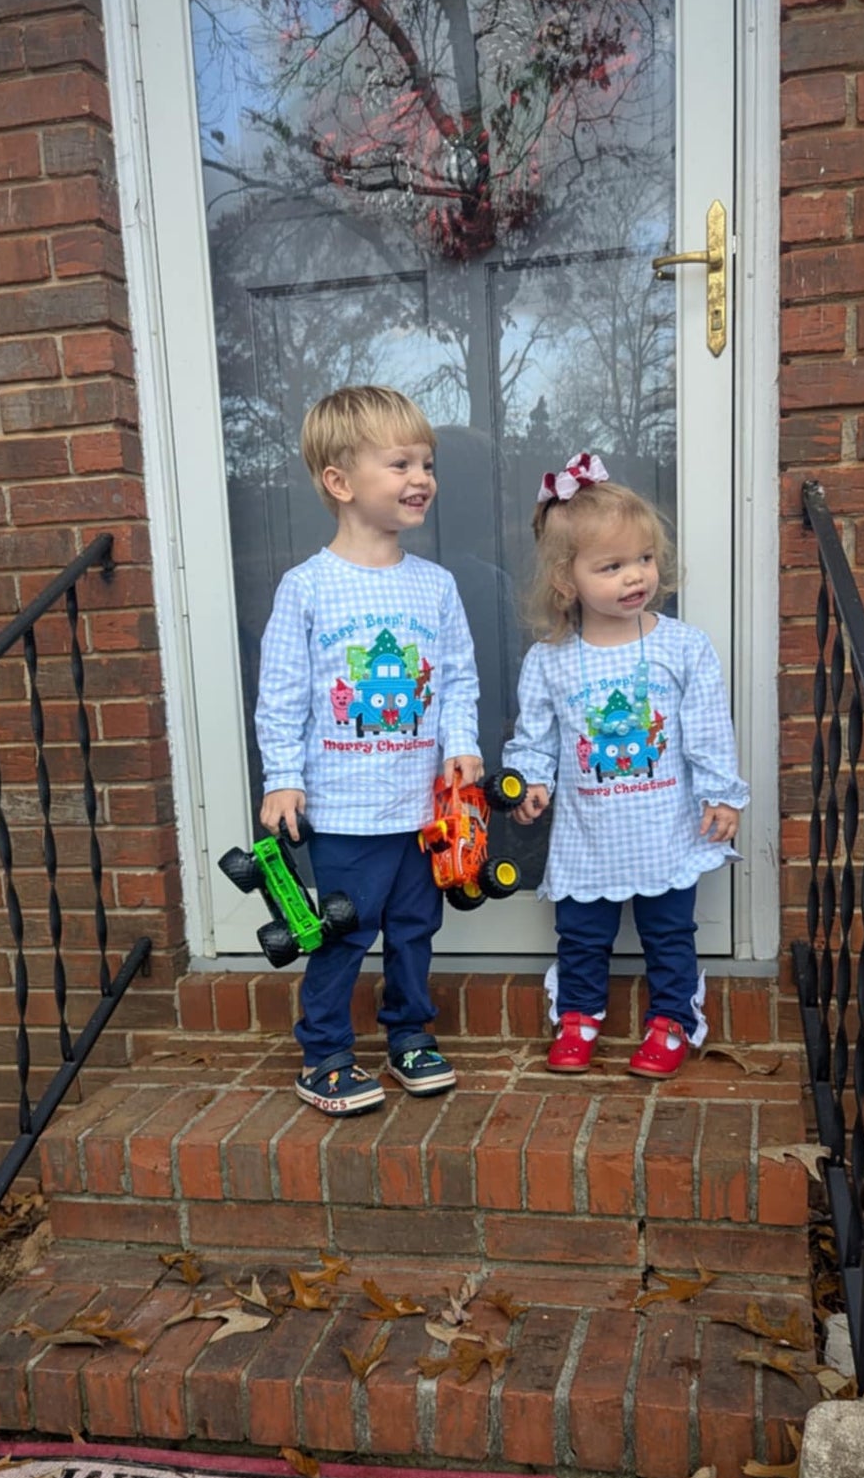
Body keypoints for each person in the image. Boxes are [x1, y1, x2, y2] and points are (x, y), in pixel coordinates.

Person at [256, 386, 482, 1115]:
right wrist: (283, 777)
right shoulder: (307, 588)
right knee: (344, 936)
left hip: (422, 807)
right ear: (341, 481)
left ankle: (409, 1034)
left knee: (417, 927)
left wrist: (463, 746)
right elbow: (283, 694)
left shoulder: (436, 586)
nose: (421, 477)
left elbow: (456, 680)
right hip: (347, 810)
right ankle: (323, 1051)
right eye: (400, 463)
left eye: (426, 462)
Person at [502, 452, 747, 1076]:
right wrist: (532, 782)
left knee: (670, 934)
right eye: (610, 566)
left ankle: (673, 1020)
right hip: (589, 835)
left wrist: (722, 794)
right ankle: (579, 1017)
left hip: (667, 827)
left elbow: (707, 730)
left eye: (643, 558)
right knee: (582, 934)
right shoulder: (550, 660)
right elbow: (536, 738)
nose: (634, 576)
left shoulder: (681, 647)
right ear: (567, 579)